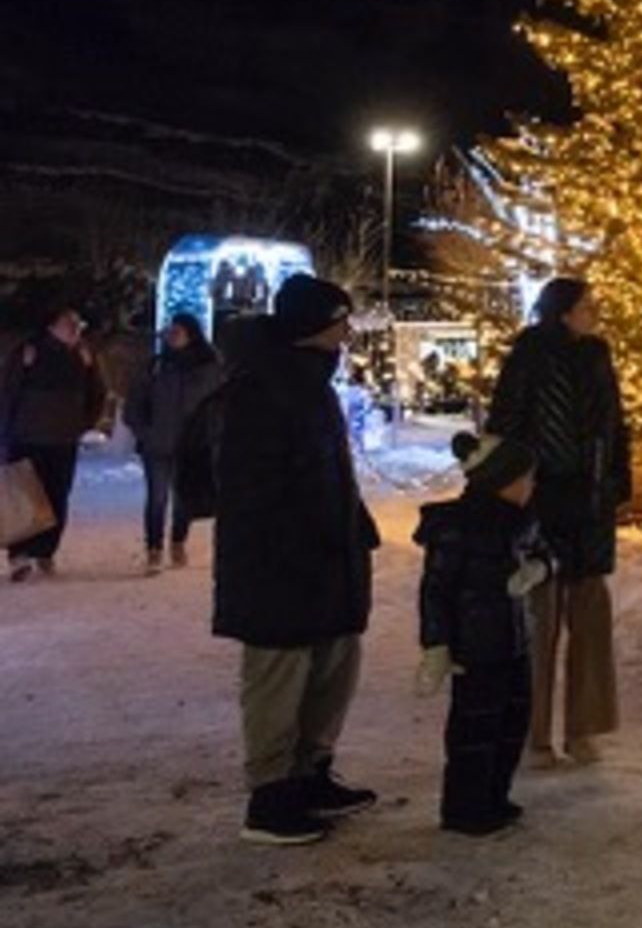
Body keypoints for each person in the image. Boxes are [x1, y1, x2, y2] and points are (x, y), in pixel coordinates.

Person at [212, 275, 383, 846]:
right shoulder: (263, 387)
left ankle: (309, 774)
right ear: (314, 326)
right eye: (340, 321)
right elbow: (253, 486)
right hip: (280, 563)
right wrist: (302, 535)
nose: (348, 332)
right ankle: (271, 795)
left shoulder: (310, 383)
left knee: (331, 665)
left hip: (326, 555)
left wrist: (350, 527)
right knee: (279, 674)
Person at [486, 278, 630, 768]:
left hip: (590, 504)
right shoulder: (528, 356)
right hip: (541, 502)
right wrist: (514, 491)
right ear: (563, 312)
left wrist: (615, 483)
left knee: (590, 619)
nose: (595, 312)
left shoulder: (597, 355)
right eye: (586, 305)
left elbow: (615, 425)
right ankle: (535, 735)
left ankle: (584, 728)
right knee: (538, 621)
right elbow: (505, 425)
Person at [414, 431, 551, 837]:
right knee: (475, 728)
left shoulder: (523, 522)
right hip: (475, 648)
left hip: (513, 642)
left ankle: (494, 796)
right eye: (525, 479)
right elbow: (436, 591)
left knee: (512, 722)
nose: (531, 486)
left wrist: (539, 569)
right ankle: (465, 807)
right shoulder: (457, 527)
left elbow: (547, 552)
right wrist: (436, 645)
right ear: (502, 481)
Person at [3, 304, 108, 581]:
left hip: (63, 439)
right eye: (69, 323)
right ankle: (20, 554)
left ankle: (45, 550)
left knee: (57, 495)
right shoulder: (30, 351)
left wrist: (83, 422)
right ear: (52, 326)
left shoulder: (83, 355)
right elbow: (8, 391)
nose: (75, 329)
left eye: (78, 324)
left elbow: (98, 393)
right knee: (24, 496)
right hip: (27, 436)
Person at [125, 312, 225, 572]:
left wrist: (213, 433)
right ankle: (154, 548)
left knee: (184, 499)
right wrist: (145, 432)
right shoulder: (156, 366)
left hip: (193, 445)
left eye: (177, 332)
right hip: (157, 444)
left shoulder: (210, 367)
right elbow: (135, 402)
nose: (172, 337)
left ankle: (178, 540)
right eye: (169, 332)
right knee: (157, 498)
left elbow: (220, 405)